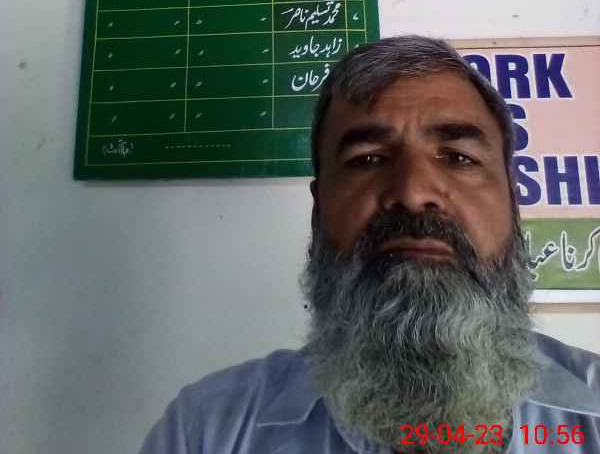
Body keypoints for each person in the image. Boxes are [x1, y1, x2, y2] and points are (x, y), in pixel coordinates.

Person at [138, 36, 600, 454]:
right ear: (319, 210)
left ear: (513, 203)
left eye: (459, 158)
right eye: (368, 159)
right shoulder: (207, 432)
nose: (414, 191)